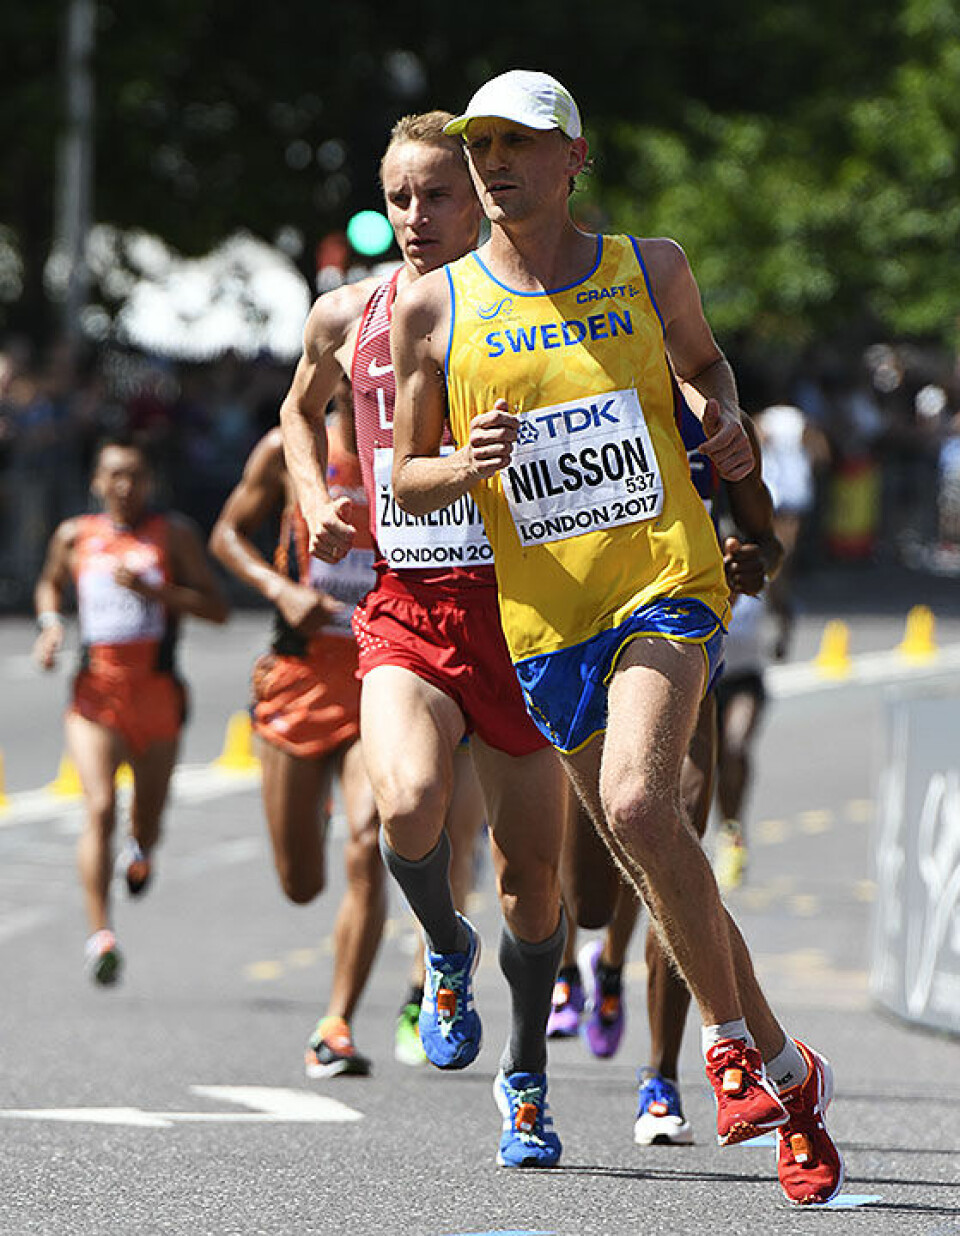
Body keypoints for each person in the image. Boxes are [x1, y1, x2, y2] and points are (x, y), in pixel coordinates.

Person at [389, 70, 843, 1205]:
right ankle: (790, 1074)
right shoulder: (434, 307)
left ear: (573, 159)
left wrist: (727, 420)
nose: (495, 166)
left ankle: (727, 1052)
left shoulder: (653, 268)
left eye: (520, 147)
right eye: (480, 147)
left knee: (646, 807)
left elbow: (706, 372)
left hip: (665, 581)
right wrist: (467, 463)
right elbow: (409, 474)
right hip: (546, 624)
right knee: (654, 859)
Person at [281, 109, 570, 1169]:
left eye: (436, 195)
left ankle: (528, 1082)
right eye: (399, 196)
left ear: (481, 197)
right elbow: (297, 409)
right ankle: (444, 952)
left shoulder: (536, 310)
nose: (414, 217)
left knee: (533, 883)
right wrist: (314, 492)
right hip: (407, 607)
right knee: (402, 804)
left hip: (526, 618)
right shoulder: (347, 314)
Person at [552, 402, 786, 1153]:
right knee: (590, 898)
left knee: (675, 838)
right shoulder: (559, 385)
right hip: (581, 650)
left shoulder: (705, 412)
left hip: (682, 648)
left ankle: (664, 1075)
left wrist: (756, 559)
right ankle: (602, 962)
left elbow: (763, 534)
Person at [210, 380, 428, 1075]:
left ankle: (335, 1024)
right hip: (299, 681)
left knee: (369, 846)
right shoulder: (285, 450)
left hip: (378, 671)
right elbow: (226, 535)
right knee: (301, 881)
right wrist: (280, 590)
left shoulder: (411, 450)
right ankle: (320, 804)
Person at [33, 432, 229, 984]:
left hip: (158, 695)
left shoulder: (173, 535)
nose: (124, 485)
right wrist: (51, 627)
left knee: (146, 817)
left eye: (135, 475)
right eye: (114, 475)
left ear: (149, 482)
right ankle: (101, 934)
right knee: (97, 808)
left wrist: (157, 593)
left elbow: (215, 608)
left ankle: (141, 848)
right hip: (95, 694)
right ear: (97, 482)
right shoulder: (75, 536)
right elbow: (49, 586)